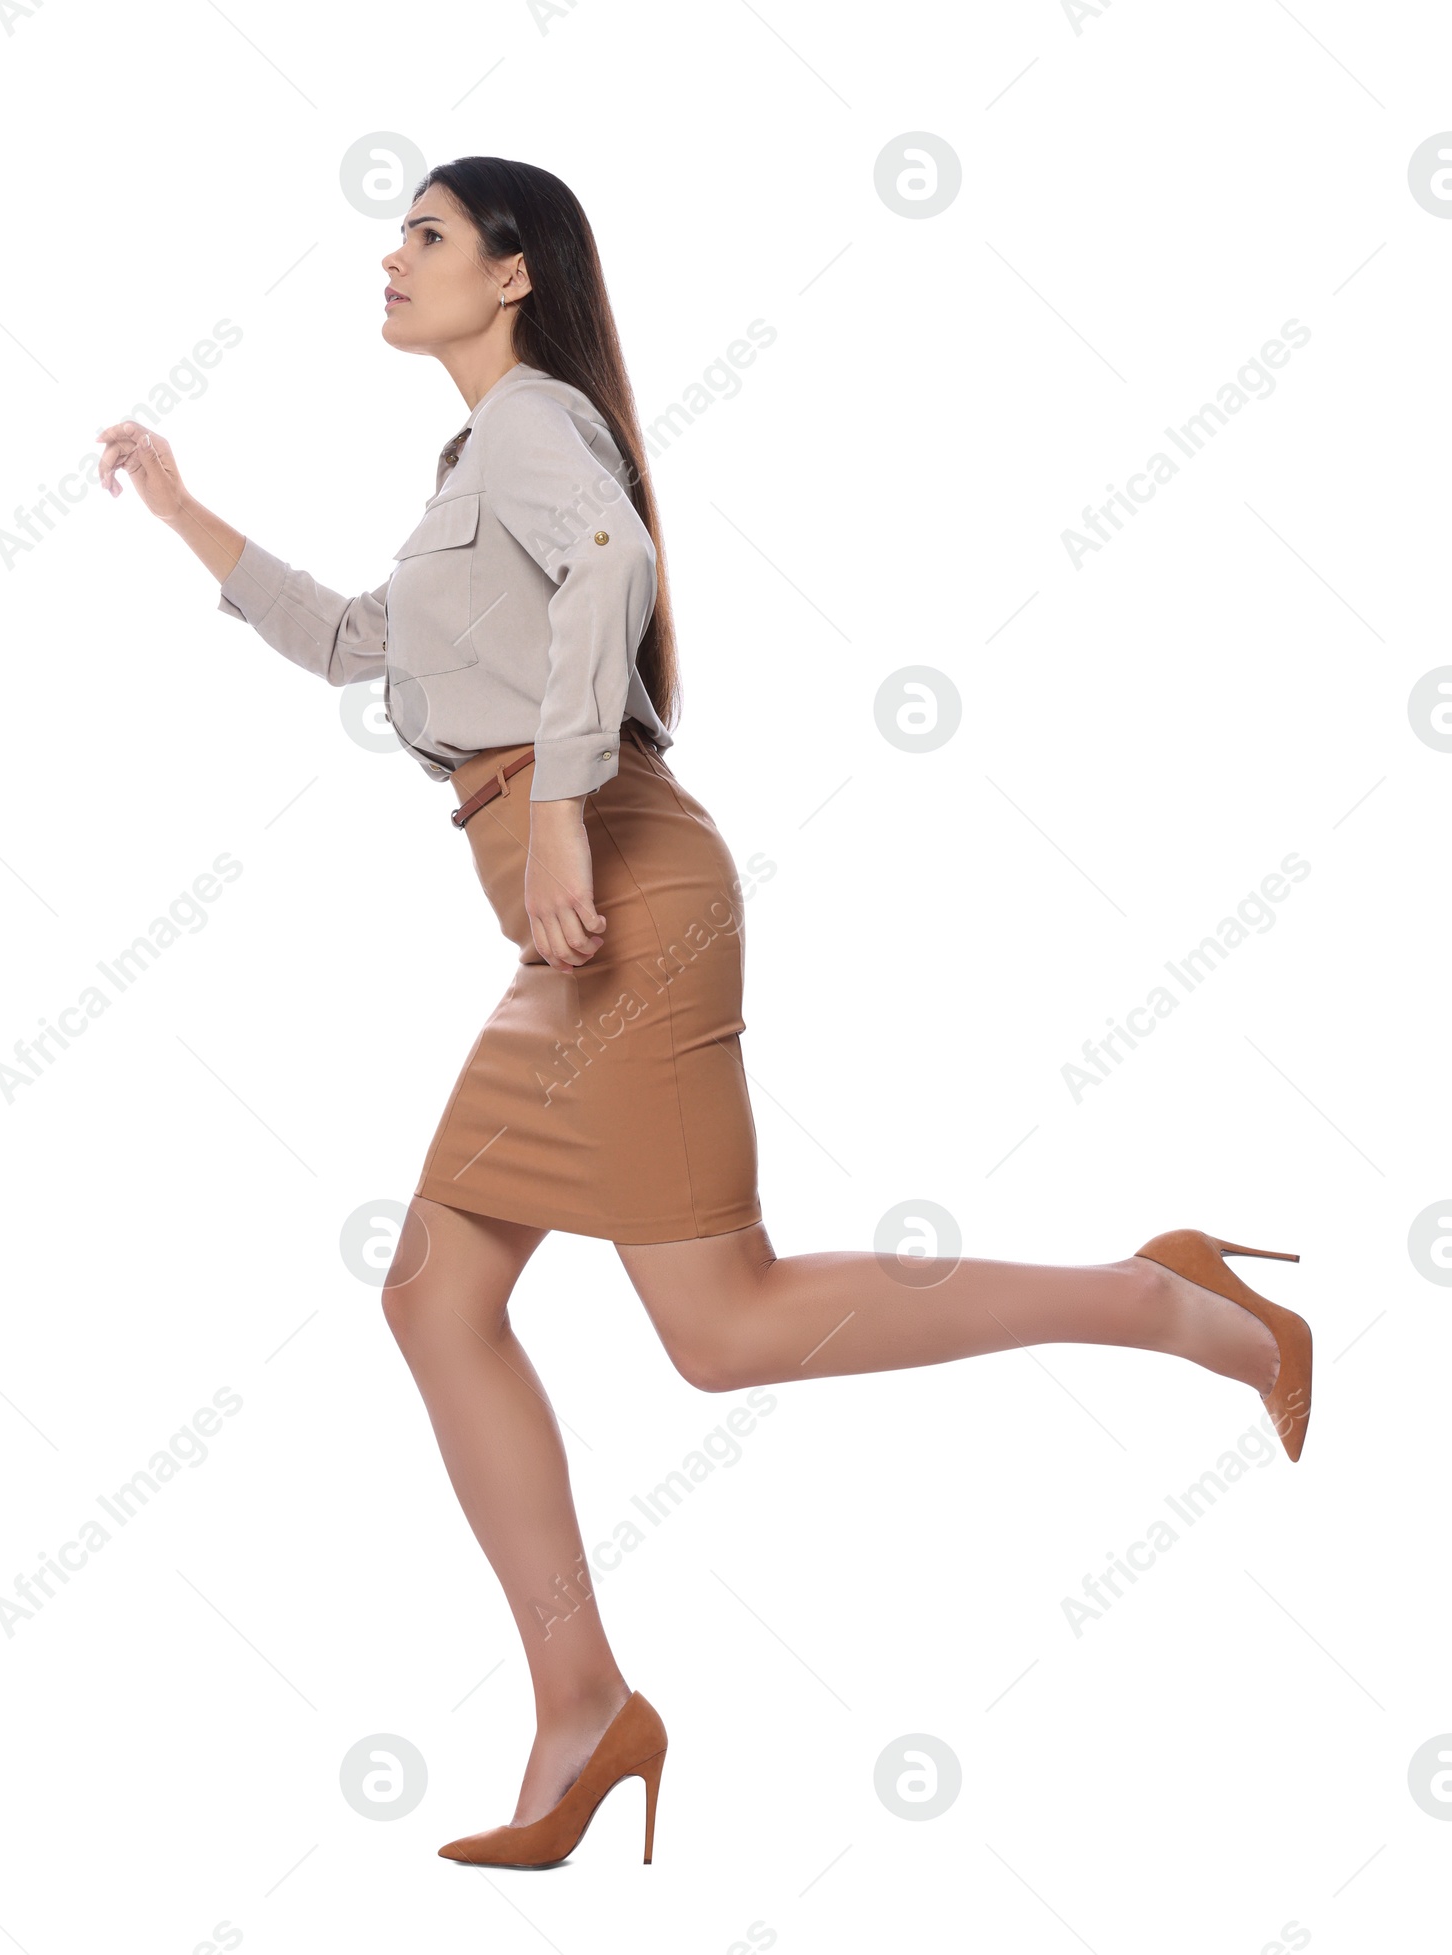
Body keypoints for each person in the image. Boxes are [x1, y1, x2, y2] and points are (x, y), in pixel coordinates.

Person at [96, 155, 1313, 1871]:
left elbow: (616, 574)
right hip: (566, 899)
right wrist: (178, 508)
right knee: (442, 1297)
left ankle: (1162, 1301)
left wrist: (562, 805)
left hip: (617, 885)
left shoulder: (533, 425)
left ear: (513, 275)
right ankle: (585, 1704)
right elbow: (357, 639)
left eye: (427, 234)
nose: (393, 255)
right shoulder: (471, 462)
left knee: (717, 1330)